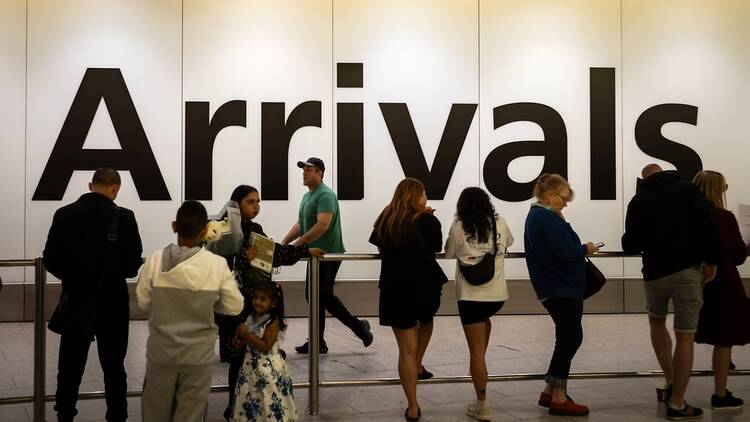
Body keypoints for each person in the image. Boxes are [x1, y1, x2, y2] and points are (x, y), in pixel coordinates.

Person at [43, 168, 143, 422]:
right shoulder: (125, 218)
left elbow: (51, 259)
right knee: (113, 367)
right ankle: (117, 415)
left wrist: (73, 276)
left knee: (69, 367)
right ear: (115, 188)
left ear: (90, 185)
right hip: (113, 303)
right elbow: (132, 265)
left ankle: (65, 414)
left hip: (77, 300)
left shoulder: (64, 214)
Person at [622, 163, 720, 420]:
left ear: (644, 179)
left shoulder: (638, 200)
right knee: (685, 335)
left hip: (654, 273)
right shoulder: (687, 190)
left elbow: (630, 243)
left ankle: (669, 381)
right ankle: (677, 403)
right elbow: (708, 227)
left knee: (656, 322)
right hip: (687, 271)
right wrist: (710, 261)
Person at [217, 185, 323, 420]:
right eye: (250, 202)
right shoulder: (221, 232)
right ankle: (234, 406)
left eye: (258, 202)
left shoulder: (255, 229)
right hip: (231, 306)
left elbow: (273, 254)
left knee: (252, 355)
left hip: (253, 305)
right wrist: (242, 259)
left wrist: (305, 251)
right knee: (237, 360)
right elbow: (215, 264)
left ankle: (247, 407)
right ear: (236, 204)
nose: (256, 206)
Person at [136, 200, 244, 421]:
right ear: (205, 230)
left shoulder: (156, 259)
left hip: (161, 355)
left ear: (174, 226)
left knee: (154, 414)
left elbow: (143, 302)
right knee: (191, 416)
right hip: (197, 358)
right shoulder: (215, 264)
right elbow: (234, 306)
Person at [369, 178, 447, 421]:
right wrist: (429, 216)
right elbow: (435, 247)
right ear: (416, 196)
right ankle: (419, 363)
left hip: (395, 290)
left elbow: (379, 244)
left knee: (405, 351)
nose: (426, 197)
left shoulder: (386, 218)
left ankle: (413, 407)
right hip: (425, 287)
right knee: (427, 321)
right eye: (423, 193)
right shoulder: (428, 220)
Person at [281, 157, 373, 354]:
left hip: (327, 254)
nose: (304, 173)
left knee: (323, 296)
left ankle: (359, 328)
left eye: (309, 169)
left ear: (320, 173)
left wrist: (297, 245)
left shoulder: (325, 195)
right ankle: (318, 341)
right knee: (314, 296)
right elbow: (301, 223)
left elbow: (323, 224)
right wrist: (284, 243)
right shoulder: (308, 196)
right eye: (303, 170)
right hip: (313, 254)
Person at [524, 173, 597, 417]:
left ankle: (550, 389)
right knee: (570, 338)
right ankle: (559, 396)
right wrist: (585, 249)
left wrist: (561, 219)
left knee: (567, 337)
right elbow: (566, 251)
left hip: (552, 286)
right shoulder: (547, 218)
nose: (565, 203)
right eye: (563, 198)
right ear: (550, 196)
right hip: (562, 287)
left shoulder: (538, 216)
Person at [444, 187, 514, 421]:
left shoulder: (459, 226)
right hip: (496, 297)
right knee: (483, 331)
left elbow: (448, 253)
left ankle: (481, 404)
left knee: (475, 353)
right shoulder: (499, 223)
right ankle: (480, 366)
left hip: (470, 297)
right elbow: (509, 243)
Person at [692, 170, 750, 410]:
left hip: (694, 283)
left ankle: (675, 392)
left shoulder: (690, 217)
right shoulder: (723, 217)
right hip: (724, 283)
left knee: (687, 336)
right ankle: (720, 392)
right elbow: (737, 255)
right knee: (724, 339)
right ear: (718, 190)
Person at [230, 281, 297, 421]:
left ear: (273, 303)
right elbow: (246, 340)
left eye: (262, 299)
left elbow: (266, 347)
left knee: (267, 398)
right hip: (249, 369)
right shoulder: (251, 317)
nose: (257, 302)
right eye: (255, 297)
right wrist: (239, 339)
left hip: (267, 370)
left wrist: (247, 335)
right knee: (251, 399)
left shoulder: (273, 323)